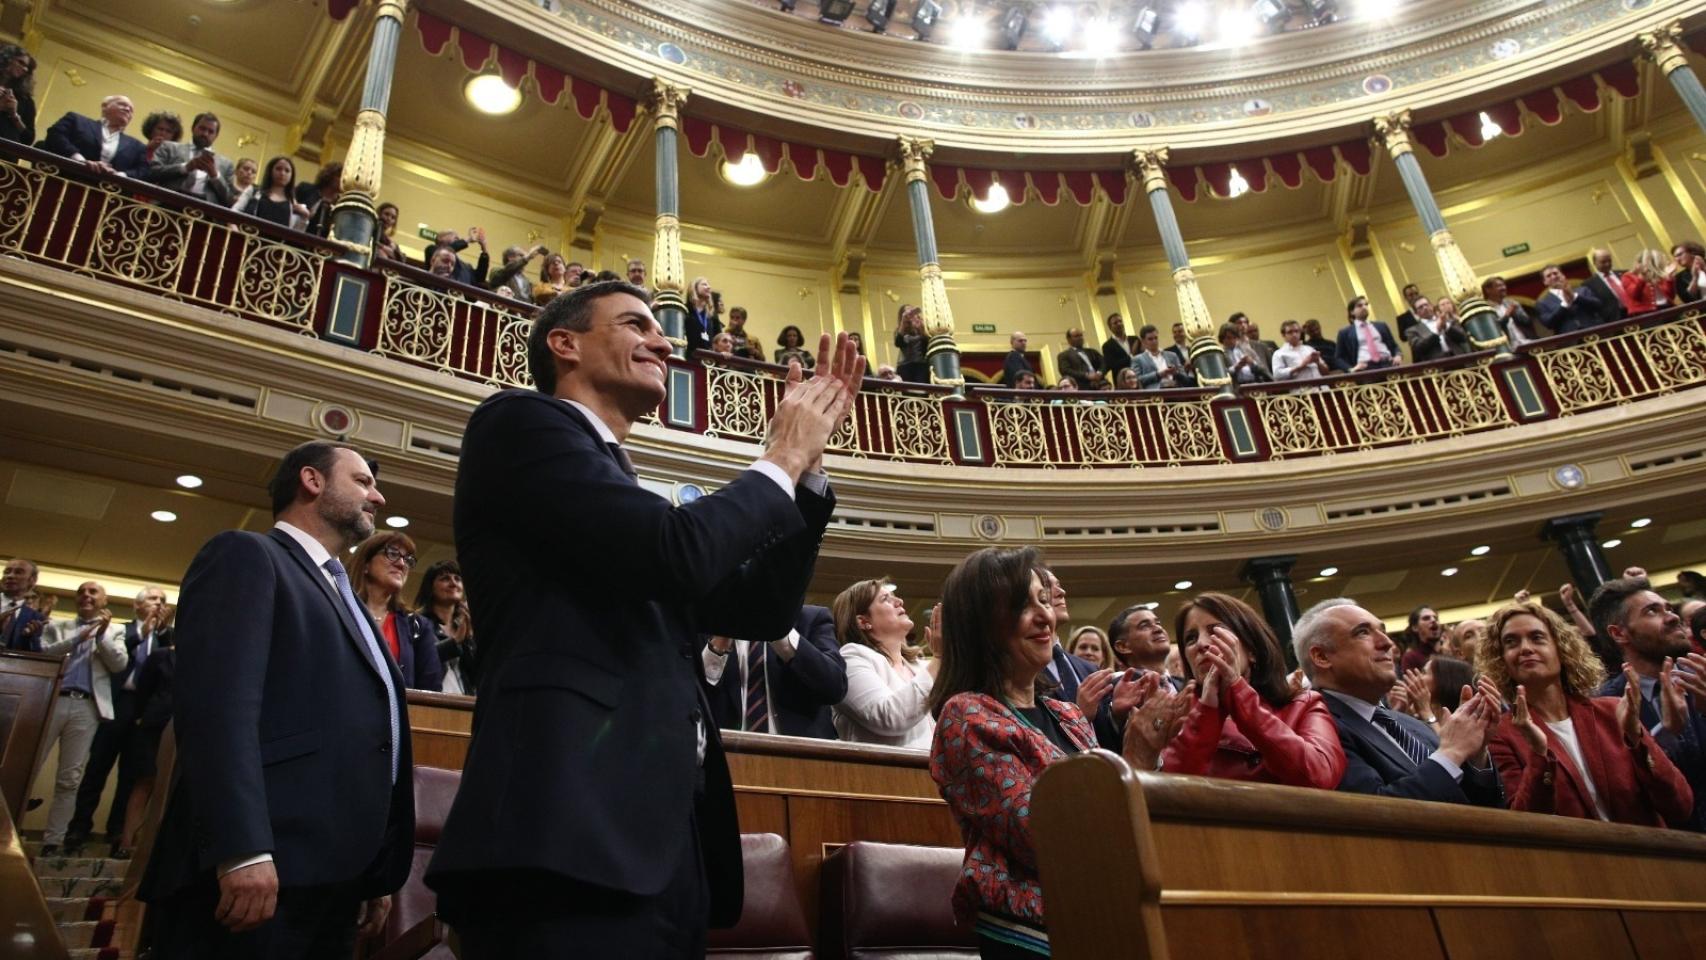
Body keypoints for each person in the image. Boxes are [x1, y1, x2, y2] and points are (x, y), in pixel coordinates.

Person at [424, 282, 861, 956]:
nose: (664, 341)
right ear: (563, 344)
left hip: (661, 848)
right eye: (636, 325)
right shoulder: (519, 425)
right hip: (560, 835)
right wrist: (779, 457)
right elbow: (679, 554)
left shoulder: (623, 499)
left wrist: (805, 475)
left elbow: (761, 609)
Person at [140, 441, 413, 955]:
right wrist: (241, 850)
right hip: (258, 872)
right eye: (362, 482)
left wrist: (372, 870)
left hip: (334, 879)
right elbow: (217, 711)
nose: (376, 498)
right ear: (311, 481)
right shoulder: (248, 556)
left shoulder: (344, 594)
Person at [928, 546, 1194, 958]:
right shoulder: (966, 716)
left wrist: (1147, 750)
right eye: (1022, 605)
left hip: (1104, 913)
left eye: (1043, 601)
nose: (1044, 617)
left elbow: (1114, 817)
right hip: (1032, 933)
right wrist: (1136, 756)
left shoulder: (1066, 712)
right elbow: (1051, 839)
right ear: (981, 624)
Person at [1481, 600, 1693, 826]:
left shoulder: (1613, 711)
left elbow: (1680, 806)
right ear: (1501, 659)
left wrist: (1636, 738)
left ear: (1561, 649)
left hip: (1646, 855)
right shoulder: (1500, 734)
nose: (1525, 648)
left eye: (1537, 637)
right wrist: (1538, 754)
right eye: (1511, 642)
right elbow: (1525, 824)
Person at [1294, 598, 1504, 806]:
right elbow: (1373, 813)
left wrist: (1476, 756)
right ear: (1321, 656)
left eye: (1382, 630)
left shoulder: (1411, 725)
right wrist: (1452, 752)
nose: (1387, 643)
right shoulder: (1316, 729)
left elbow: (1485, 808)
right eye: (1363, 632)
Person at [1162, 592, 1345, 789]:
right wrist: (1207, 711)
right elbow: (1166, 791)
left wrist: (1237, 691)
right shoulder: (1177, 719)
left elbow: (1320, 776)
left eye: (1216, 631)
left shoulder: (1304, 704)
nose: (1201, 644)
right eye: (1191, 638)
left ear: (1252, 651)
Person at [1589, 576, 1706, 830]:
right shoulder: (1603, 706)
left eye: (1669, 608)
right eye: (1652, 611)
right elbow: (1624, 793)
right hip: (1672, 852)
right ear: (1619, 633)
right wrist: (1664, 736)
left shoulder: (1702, 675)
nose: (1673, 617)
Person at [66, 585, 172, 858]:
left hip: (145, 714)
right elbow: (112, 655)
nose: (158, 603)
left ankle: (117, 832)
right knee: (96, 768)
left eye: (162, 600)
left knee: (132, 775)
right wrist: (142, 633)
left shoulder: (166, 639)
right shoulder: (119, 630)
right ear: (137, 605)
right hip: (114, 704)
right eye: (152, 598)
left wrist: (158, 633)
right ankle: (78, 828)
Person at [34, 581, 129, 856]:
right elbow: (45, 653)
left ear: (104, 600)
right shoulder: (58, 626)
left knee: (70, 777)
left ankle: (53, 839)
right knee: (29, 767)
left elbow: (119, 664)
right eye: (81, 592)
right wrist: (80, 635)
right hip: (51, 701)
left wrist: (100, 635)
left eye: (92, 592)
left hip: (86, 708)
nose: (86, 595)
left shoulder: (116, 630)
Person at [702, 605, 847, 738]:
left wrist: (778, 629)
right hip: (728, 756)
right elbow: (692, 699)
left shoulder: (812, 618)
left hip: (803, 757)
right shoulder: (706, 621)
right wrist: (720, 641)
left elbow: (834, 687)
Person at [831, 578, 937, 747]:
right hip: (884, 771)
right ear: (863, 621)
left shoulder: (920, 665)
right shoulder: (851, 658)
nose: (899, 601)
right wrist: (939, 659)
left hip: (928, 771)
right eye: (886, 599)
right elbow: (889, 717)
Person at [347, 531, 443, 691]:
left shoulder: (417, 625)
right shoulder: (341, 611)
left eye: (408, 559)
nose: (401, 564)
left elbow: (431, 689)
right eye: (392, 554)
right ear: (366, 565)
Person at [412, 559, 479, 696]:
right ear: (430, 587)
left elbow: (477, 675)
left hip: (465, 706)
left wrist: (470, 638)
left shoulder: (466, 627)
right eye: (445, 579)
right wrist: (454, 642)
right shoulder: (416, 623)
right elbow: (419, 662)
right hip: (430, 703)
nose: (453, 583)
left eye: (457, 579)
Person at [41, 94, 148, 178]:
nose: (127, 109)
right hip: (65, 181)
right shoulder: (77, 120)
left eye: (131, 109)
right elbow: (55, 135)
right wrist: (80, 161)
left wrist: (119, 175)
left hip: (107, 197)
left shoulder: (137, 146)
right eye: (122, 104)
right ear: (105, 106)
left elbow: (143, 170)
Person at [147, 111, 235, 203]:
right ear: (193, 128)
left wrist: (215, 175)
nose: (205, 134)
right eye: (202, 128)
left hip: (204, 211)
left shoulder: (226, 164)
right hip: (167, 204)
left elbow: (229, 199)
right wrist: (185, 167)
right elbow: (152, 173)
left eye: (210, 131)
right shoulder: (169, 147)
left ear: (216, 136)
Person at [1333, 295, 1401, 372]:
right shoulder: (1345, 332)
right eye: (1359, 305)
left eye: (1366, 305)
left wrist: (1398, 355)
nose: (1364, 307)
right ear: (1352, 312)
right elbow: (1338, 358)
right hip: (1366, 368)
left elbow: (1394, 346)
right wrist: (1351, 369)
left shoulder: (1381, 326)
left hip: (1388, 364)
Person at [241, 155, 310, 230]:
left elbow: (297, 233)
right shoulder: (253, 191)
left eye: (287, 171)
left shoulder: (293, 204)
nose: (282, 173)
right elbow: (235, 211)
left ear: (292, 175)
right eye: (278, 169)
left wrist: (305, 217)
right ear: (270, 171)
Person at [1535, 264, 1603, 335]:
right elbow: (1548, 323)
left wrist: (1575, 297)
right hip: (1571, 340)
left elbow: (1598, 305)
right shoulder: (1542, 303)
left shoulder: (1583, 290)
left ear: (1562, 275)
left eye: (1555, 273)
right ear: (1545, 282)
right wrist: (1564, 305)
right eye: (1549, 276)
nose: (1554, 277)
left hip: (1596, 333)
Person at [1403, 295, 1471, 362]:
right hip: (1437, 366)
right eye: (1420, 307)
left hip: (1459, 359)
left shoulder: (1448, 321)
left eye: (1426, 304)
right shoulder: (1412, 330)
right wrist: (1437, 332)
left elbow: (1463, 337)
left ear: (1431, 306)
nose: (1425, 308)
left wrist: (1446, 327)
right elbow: (1418, 349)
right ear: (1416, 313)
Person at [1582, 247, 1631, 325]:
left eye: (1609, 261)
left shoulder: (1625, 274)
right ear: (1595, 263)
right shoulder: (1589, 284)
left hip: (1636, 313)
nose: (1607, 264)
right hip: (1615, 321)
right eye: (1603, 262)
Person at [0, 44, 38, 146]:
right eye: (21, 62)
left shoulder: (26, 100)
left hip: (6, 155)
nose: (25, 69)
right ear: (8, 59)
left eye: (27, 68)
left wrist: (14, 115)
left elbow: (28, 140)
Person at [1132, 323, 1187, 389]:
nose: (1154, 341)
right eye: (1150, 339)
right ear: (1143, 341)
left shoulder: (1172, 355)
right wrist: (1158, 374)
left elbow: (1184, 376)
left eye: (1156, 338)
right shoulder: (1138, 359)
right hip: (1155, 395)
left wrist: (1176, 373)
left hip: (1176, 391)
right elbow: (1136, 380)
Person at [1620, 249, 1669, 315]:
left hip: (1666, 308)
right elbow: (1635, 295)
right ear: (1638, 263)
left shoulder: (1657, 274)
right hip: (1645, 313)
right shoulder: (1627, 276)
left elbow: (1670, 295)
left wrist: (1670, 278)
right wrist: (1642, 278)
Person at [1401, 605, 1443, 674]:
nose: (1433, 620)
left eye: (1436, 618)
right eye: (1426, 618)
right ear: (1415, 628)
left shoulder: (1448, 652)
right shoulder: (1410, 658)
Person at [894, 303, 930, 384]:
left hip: (921, 365)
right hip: (905, 366)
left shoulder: (921, 325)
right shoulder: (900, 330)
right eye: (908, 312)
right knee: (909, 392)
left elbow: (928, 343)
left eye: (912, 311)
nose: (911, 314)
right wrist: (903, 322)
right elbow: (898, 343)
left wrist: (921, 329)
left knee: (922, 390)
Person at [686, 277, 722, 355]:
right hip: (689, 355)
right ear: (694, 288)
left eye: (708, 285)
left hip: (707, 358)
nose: (709, 287)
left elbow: (718, 336)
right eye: (704, 284)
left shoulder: (712, 315)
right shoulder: (685, 309)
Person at [1666, 241, 1705, 306]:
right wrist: (1695, 278)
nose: (1677, 259)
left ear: (1692, 252)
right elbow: (1688, 300)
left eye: (1679, 254)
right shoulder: (1679, 278)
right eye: (1675, 257)